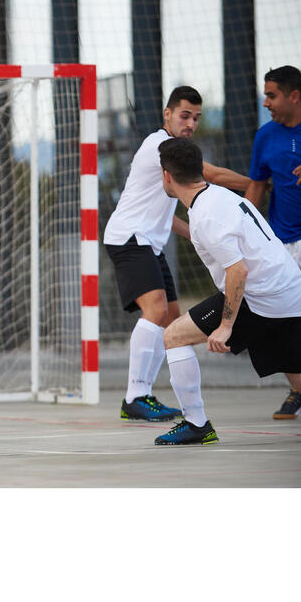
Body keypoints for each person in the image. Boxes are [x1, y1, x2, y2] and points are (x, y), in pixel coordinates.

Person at [103, 85, 250, 422]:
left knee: (170, 317)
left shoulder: (170, 155)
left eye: (196, 118)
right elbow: (208, 175)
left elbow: (164, 215)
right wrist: (259, 183)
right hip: (129, 238)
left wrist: (193, 233)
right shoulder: (158, 144)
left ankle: (146, 396)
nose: (191, 124)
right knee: (154, 311)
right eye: (185, 115)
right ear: (166, 114)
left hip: (148, 243)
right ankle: (136, 396)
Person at [152, 137, 301, 444]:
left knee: (173, 336)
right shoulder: (218, 197)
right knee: (298, 375)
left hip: (262, 296)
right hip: (291, 292)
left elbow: (238, 270)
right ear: (201, 171)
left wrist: (225, 326)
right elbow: (211, 239)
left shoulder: (207, 214)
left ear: (166, 175)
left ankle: (196, 424)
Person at [244, 65, 301, 421]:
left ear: (293, 95)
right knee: (280, 318)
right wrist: (245, 230)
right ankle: (298, 389)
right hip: (281, 243)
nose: (266, 102)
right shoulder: (265, 136)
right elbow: (256, 186)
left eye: (272, 95)